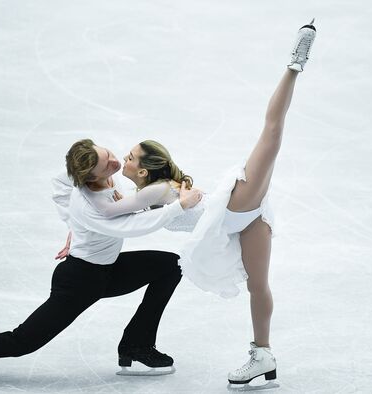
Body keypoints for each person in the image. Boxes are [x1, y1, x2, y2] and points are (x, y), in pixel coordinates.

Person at [56, 20, 317, 388]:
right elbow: (112, 210)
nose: (122, 161)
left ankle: (294, 65)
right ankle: (263, 354)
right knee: (258, 287)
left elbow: (107, 212)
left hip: (236, 206)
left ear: (143, 172)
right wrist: (74, 228)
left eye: (129, 157)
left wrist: (76, 222)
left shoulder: (154, 192)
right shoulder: (148, 193)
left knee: (271, 133)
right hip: (243, 224)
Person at [0, 142, 203, 386]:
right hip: (79, 281)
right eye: (104, 164)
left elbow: (61, 186)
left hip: (107, 269)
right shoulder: (95, 207)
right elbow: (130, 227)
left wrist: (74, 227)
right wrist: (179, 207)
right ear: (91, 177)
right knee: (22, 341)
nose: (114, 161)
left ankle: (136, 346)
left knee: (170, 266)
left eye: (106, 153)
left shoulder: (82, 174)